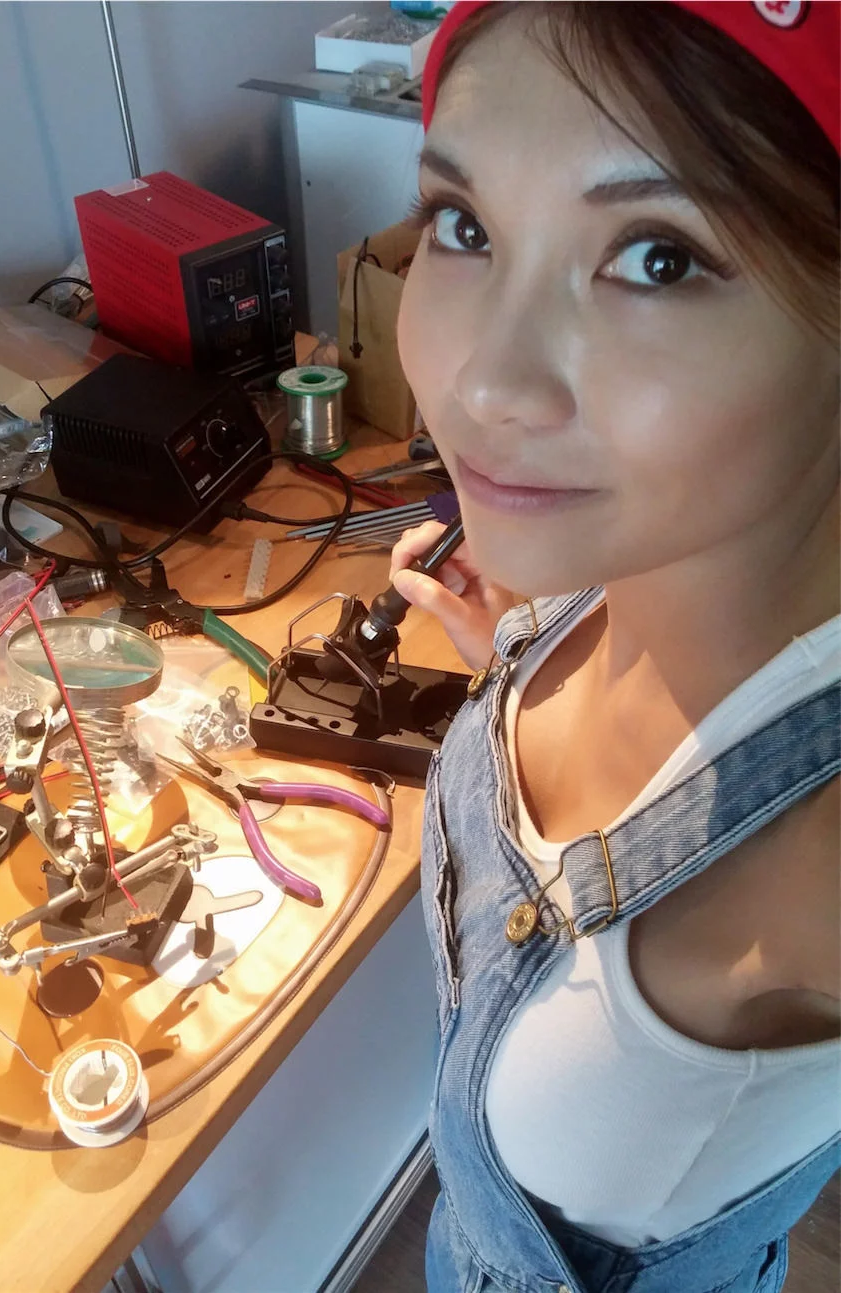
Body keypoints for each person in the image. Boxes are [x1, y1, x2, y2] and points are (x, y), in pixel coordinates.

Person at [387, 3, 840, 1289]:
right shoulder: (619, 558)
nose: (483, 384)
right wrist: (516, 657)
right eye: (463, 227)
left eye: (657, 258)